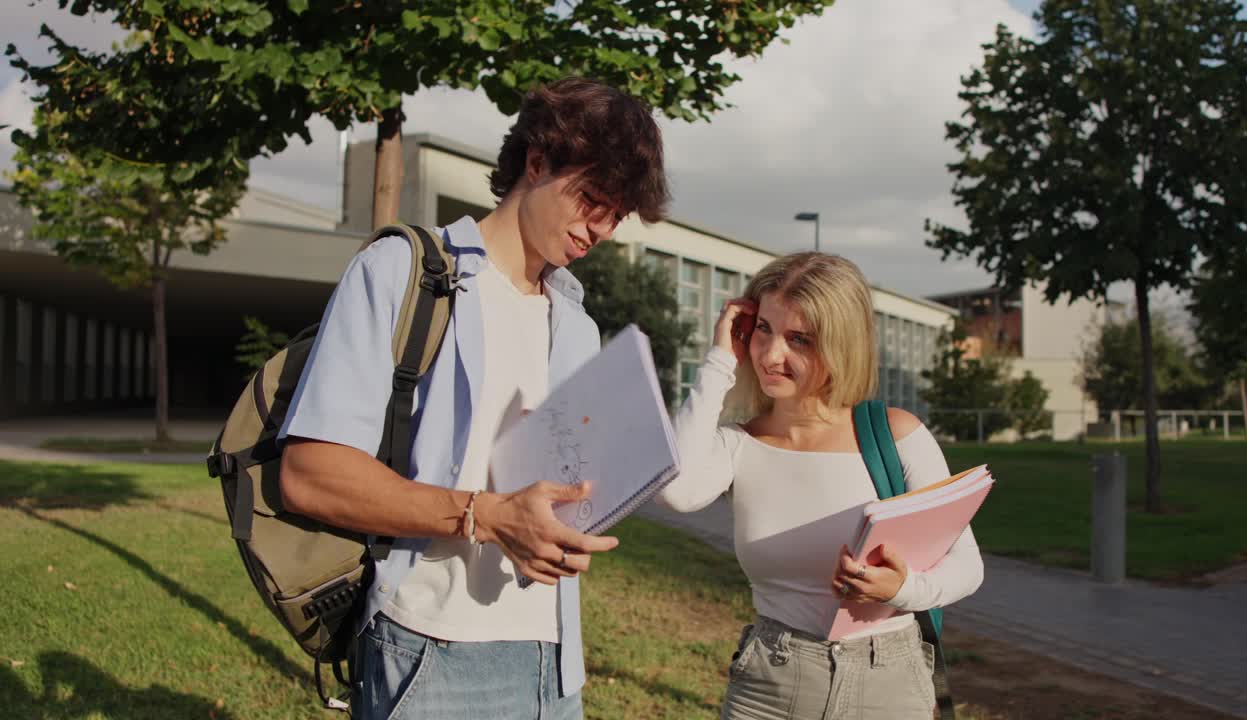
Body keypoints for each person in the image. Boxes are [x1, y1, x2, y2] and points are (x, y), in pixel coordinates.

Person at [276, 77, 669, 720]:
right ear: (537, 162)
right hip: (432, 652)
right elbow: (310, 474)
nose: (600, 228)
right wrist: (484, 516)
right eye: (592, 199)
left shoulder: (577, 325)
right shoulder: (405, 274)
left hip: (554, 663)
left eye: (616, 215)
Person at [658, 252, 984, 720]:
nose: (771, 355)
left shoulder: (896, 436)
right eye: (763, 329)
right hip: (770, 685)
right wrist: (717, 361)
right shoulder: (739, 443)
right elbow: (676, 491)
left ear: (840, 345)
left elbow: (967, 567)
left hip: (886, 683)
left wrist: (901, 588)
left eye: (799, 339)